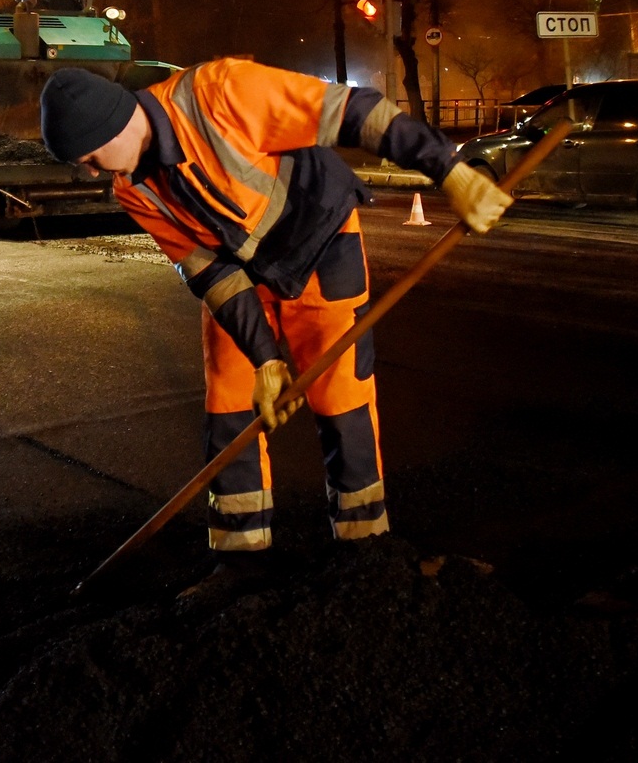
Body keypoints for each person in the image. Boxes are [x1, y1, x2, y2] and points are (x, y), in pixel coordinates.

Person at [38, 59, 512, 569]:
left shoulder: (220, 94)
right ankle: (240, 562)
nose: (90, 171)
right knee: (230, 405)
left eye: (90, 157)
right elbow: (212, 276)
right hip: (245, 274)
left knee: (340, 396)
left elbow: (354, 112)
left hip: (321, 245)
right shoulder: (134, 189)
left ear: (116, 124)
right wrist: (264, 358)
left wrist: (450, 169)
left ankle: (365, 550)